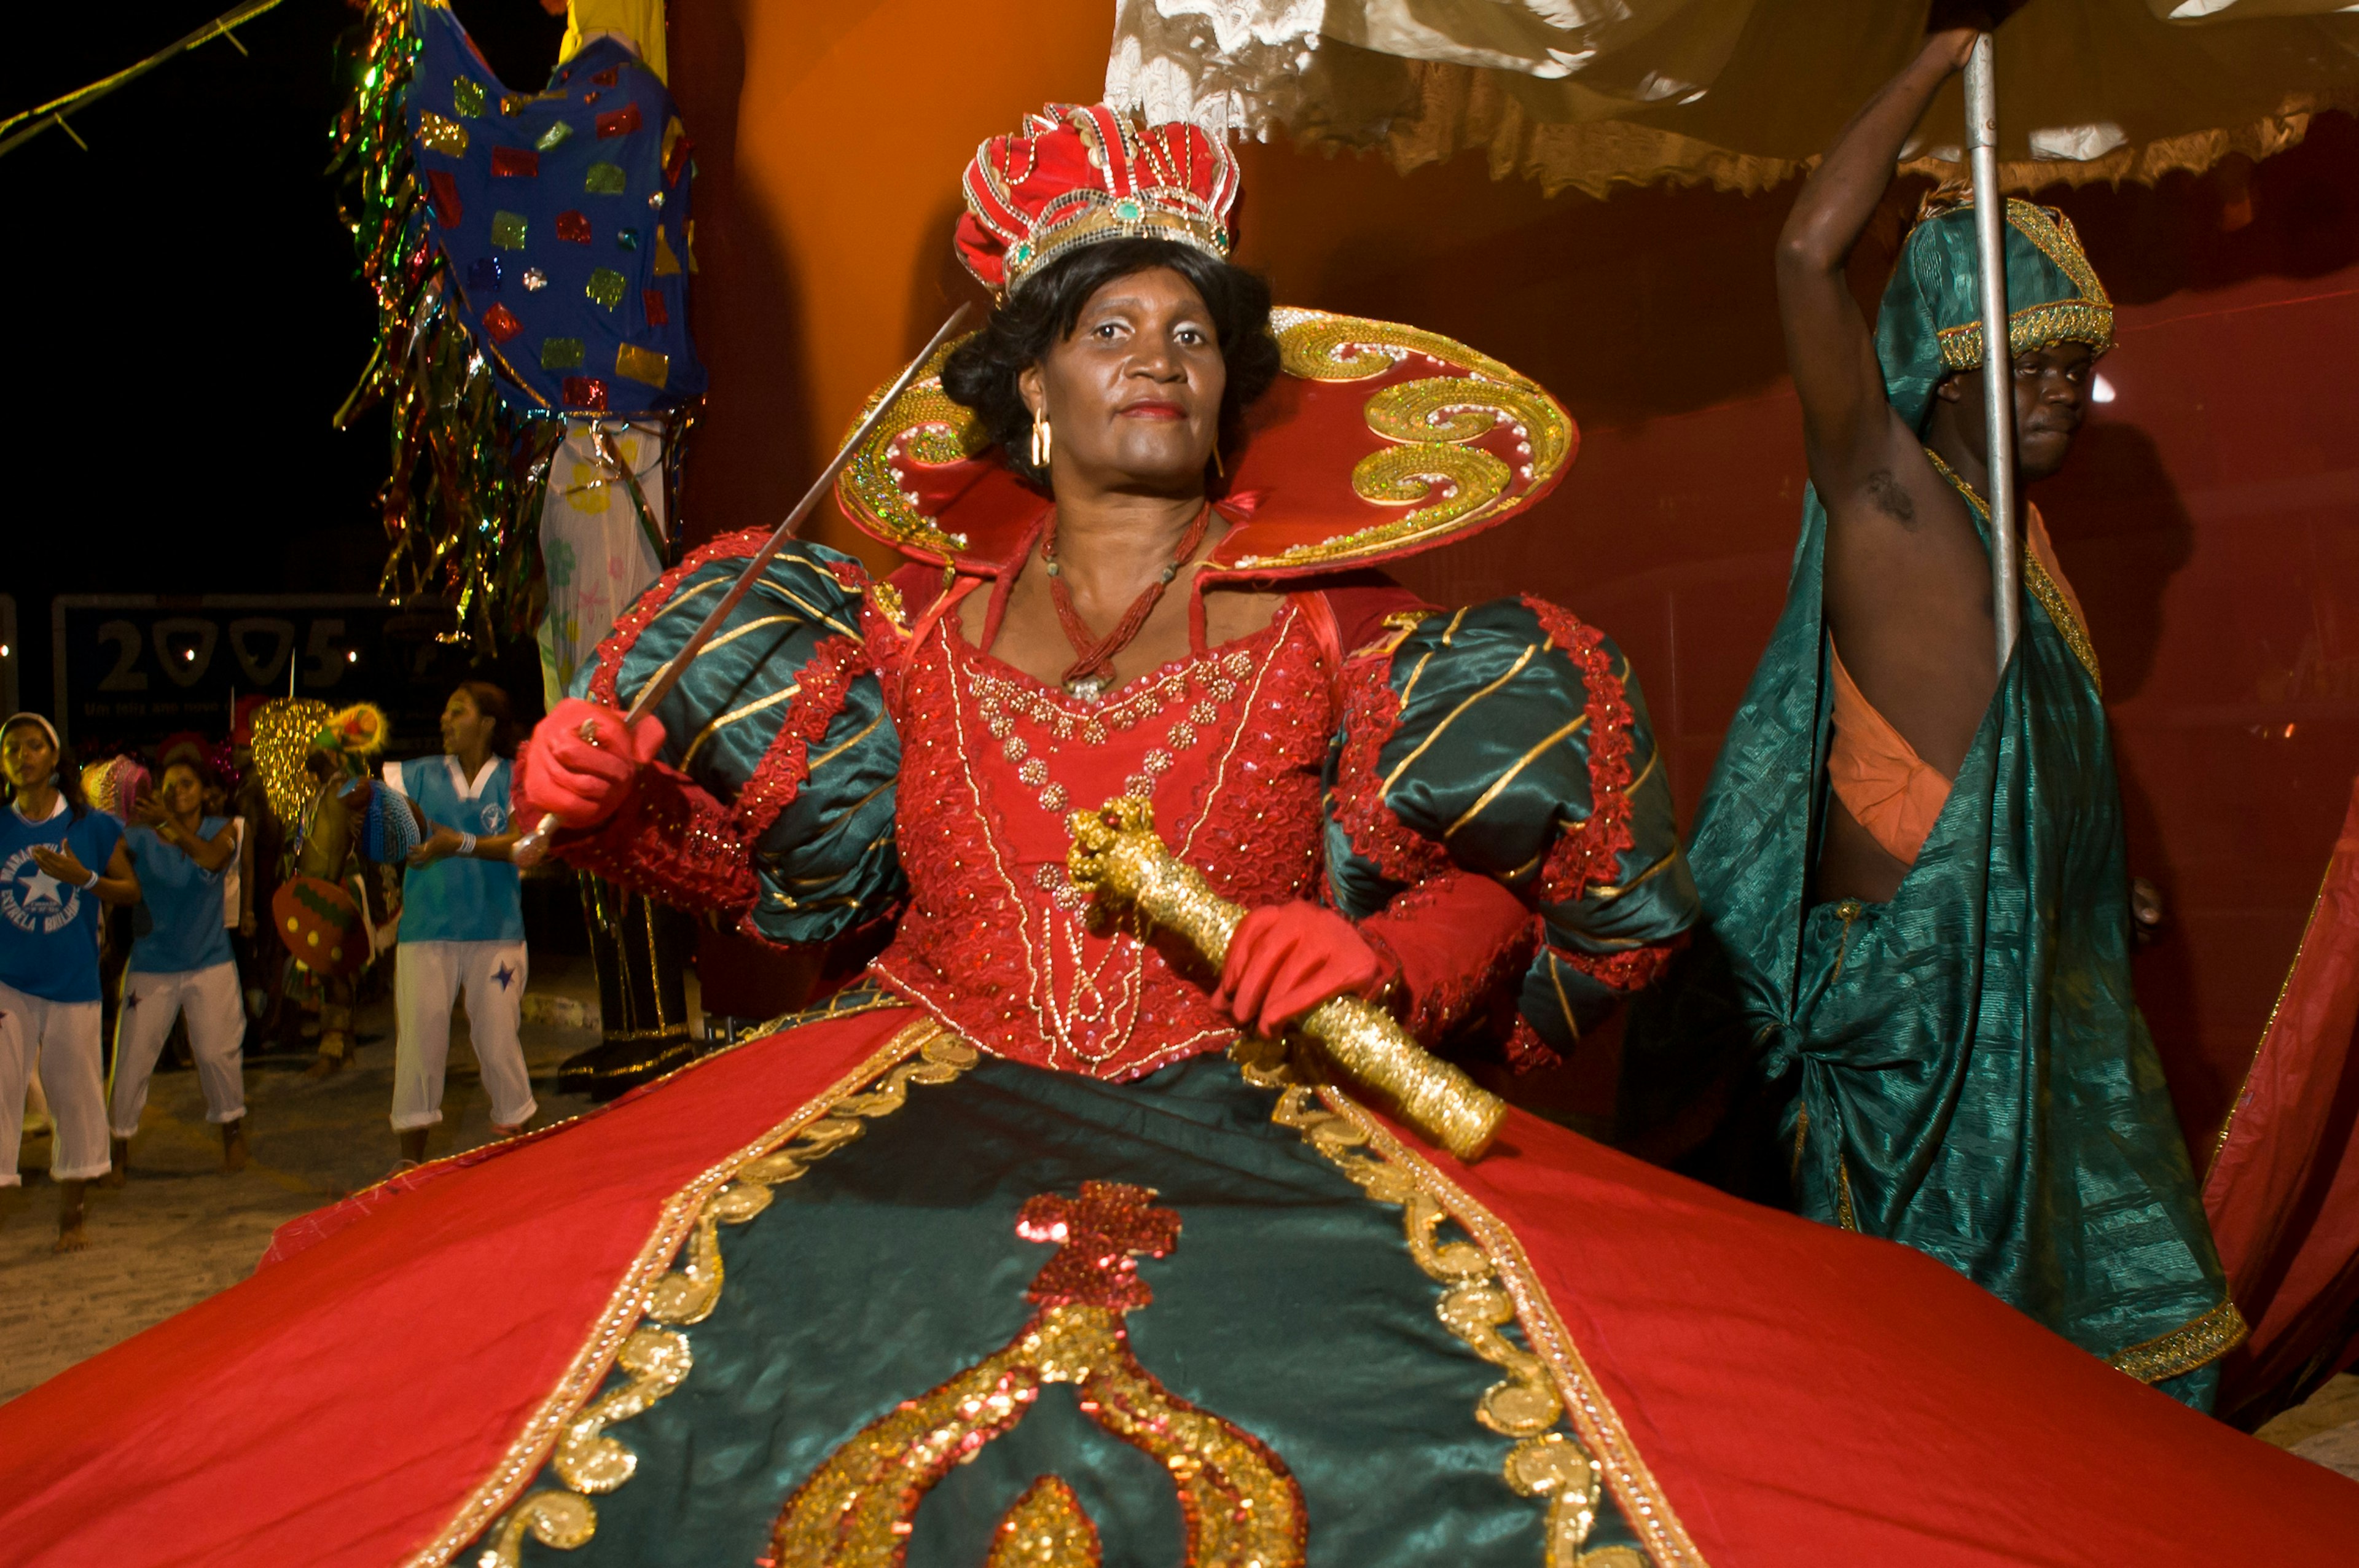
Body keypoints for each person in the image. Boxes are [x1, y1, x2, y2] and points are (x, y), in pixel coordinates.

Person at [1, 107, 2351, 1568]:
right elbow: (809, 924)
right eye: (1105, 324)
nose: (1155, 354)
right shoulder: (888, 639)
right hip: (906, 1096)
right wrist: (631, 837)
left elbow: (1518, 898)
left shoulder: (1346, 635)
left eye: (1190, 324)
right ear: (1022, 385)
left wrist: (1397, 954)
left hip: (1258, 1122)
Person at [1627, 26, 2236, 1408]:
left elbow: (2002, 776)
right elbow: (1802, 259)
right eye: (2027, 368)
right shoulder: (1888, 497)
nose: (2060, 399)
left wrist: (2084, 878)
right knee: (1923, 1393)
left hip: (2033, 1005)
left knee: (2097, 1388)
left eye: (2074, 371)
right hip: (1913, 1035)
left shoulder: (2031, 555)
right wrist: (1933, 64)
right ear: (1950, 371)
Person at [0, 714, 141, 1252]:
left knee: (75, 1099)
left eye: (34, 745)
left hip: (72, 982)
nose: (23, 754)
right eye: (12, 747)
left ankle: (72, 1213)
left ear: (54, 758)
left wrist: (83, 878)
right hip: (8, 982)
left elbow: (130, 892)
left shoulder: (91, 826)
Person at [380, 682, 534, 1167]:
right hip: (426, 931)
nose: (445, 720)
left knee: (497, 1041)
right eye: (446, 711)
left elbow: (523, 844)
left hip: (497, 932)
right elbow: (384, 828)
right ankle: (410, 1168)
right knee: (419, 1047)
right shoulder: (416, 774)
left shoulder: (515, 778)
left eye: (458, 711)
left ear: (487, 723)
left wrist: (458, 843)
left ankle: (522, 1156)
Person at [107, 756, 249, 1180]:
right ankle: (117, 1148)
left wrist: (167, 823)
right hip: (152, 963)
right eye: (167, 785)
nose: (175, 792)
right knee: (131, 1060)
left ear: (205, 791)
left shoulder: (225, 829)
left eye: (186, 783)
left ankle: (232, 1135)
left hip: (210, 962)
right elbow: (104, 857)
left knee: (216, 1054)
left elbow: (207, 859)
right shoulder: (136, 836)